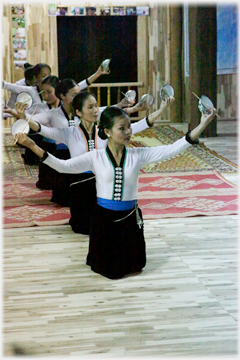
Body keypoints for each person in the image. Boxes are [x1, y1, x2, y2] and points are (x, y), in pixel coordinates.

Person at [14, 101, 217, 279]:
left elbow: (173, 148)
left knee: (135, 266)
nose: (128, 132)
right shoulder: (96, 157)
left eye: (129, 127)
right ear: (108, 131)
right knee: (109, 270)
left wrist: (203, 123)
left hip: (129, 219)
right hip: (104, 221)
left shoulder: (139, 154)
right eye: (122, 128)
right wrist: (31, 144)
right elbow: (62, 166)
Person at [17, 91, 157, 233]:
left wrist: (162, 108)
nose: (95, 110)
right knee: (82, 227)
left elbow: (140, 125)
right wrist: (24, 118)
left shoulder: (105, 132)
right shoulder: (69, 133)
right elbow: (42, 129)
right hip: (79, 185)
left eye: (96, 106)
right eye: (90, 107)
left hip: (101, 183)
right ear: (78, 112)